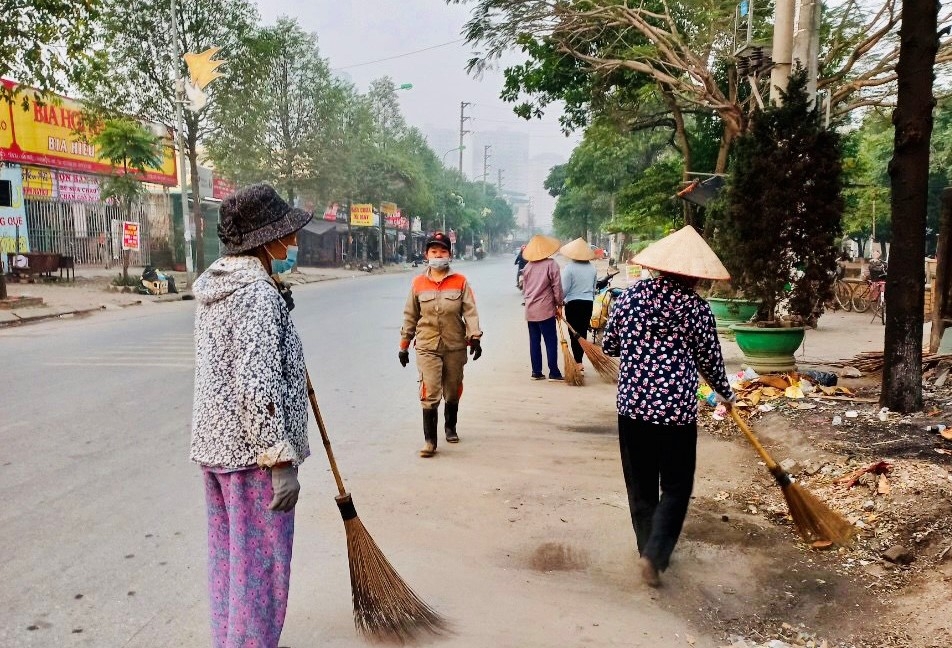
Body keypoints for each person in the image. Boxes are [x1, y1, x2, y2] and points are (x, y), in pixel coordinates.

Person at [190, 183, 312, 648]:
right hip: (254, 459)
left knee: (230, 564)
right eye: (288, 237)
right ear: (266, 241)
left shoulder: (219, 286)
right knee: (262, 571)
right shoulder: (257, 294)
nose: (293, 245)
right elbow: (256, 385)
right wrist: (280, 460)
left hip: (217, 450)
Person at [601, 225, 735, 588]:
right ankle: (658, 554)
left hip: (633, 408)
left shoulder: (628, 298)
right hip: (676, 412)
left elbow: (610, 344)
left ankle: (647, 550)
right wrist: (726, 394)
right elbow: (710, 361)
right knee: (675, 486)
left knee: (640, 484)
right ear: (693, 274)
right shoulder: (696, 308)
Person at [399, 232, 483, 458]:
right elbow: (410, 315)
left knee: (452, 389)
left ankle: (450, 426)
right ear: (426, 255)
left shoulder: (460, 282)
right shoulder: (418, 283)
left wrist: (475, 336)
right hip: (427, 345)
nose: (438, 255)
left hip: (455, 345)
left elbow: (470, 311)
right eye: (434, 251)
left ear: (450, 254)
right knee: (430, 391)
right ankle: (430, 441)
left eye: (443, 251)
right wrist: (404, 345)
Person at [521, 234, 564, 381]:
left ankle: (536, 372)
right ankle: (554, 372)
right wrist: (559, 304)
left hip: (530, 310)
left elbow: (524, 290)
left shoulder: (527, 267)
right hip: (545, 309)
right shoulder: (551, 264)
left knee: (534, 341)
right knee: (550, 340)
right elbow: (556, 287)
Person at [559, 237, 597, 368]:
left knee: (573, 333)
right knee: (582, 332)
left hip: (573, 304)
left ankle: (578, 362)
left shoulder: (569, 268)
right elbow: (594, 288)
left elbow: (564, 289)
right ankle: (579, 361)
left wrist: (559, 302)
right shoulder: (592, 268)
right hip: (588, 304)